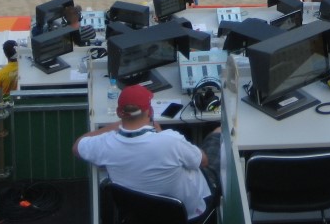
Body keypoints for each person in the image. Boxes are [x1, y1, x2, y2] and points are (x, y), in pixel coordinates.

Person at [73, 85, 221, 221]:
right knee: (217, 135)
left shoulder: (105, 144)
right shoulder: (170, 141)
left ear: (119, 113)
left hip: (140, 215)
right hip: (191, 213)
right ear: (150, 111)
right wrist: (162, 135)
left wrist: (119, 125)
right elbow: (203, 161)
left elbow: (78, 145)